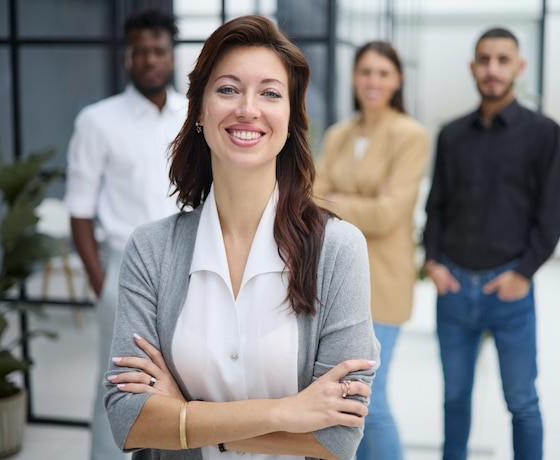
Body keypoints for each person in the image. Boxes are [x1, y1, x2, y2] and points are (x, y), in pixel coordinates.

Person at [102, 15, 380, 460]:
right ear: (198, 111)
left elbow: (338, 438)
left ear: (290, 119)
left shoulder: (339, 251)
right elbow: (127, 419)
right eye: (228, 89)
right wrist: (286, 413)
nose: (247, 108)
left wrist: (184, 415)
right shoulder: (150, 250)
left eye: (270, 93)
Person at [423, 27, 560, 460]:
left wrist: (523, 274)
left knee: (522, 402)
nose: (492, 69)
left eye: (503, 60)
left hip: (509, 292)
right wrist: (433, 262)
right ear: (473, 66)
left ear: (518, 67)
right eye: (484, 59)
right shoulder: (451, 135)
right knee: (454, 400)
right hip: (453, 290)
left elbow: (556, 213)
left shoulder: (544, 134)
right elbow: (438, 206)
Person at [63, 9, 187, 460]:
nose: (149, 60)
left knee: (182, 380)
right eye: (140, 51)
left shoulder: (192, 115)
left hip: (187, 265)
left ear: (172, 55)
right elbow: (79, 212)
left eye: (158, 51)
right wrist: (102, 286)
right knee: (118, 386)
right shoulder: (98, 121)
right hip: (121, 270)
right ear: (125, 57)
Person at [313, 41, 429, 459]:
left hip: (383, 285)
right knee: (341, 404)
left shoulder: (410, 135)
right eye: (366, 72)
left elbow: (388, 214)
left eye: (383, 73)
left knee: (369, 403)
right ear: (354, 77)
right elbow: (309, 198)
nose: (373, 81)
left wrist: (337, 199)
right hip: (335, 283)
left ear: (398, 80)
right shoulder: (339, 134)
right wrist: (359, 200)